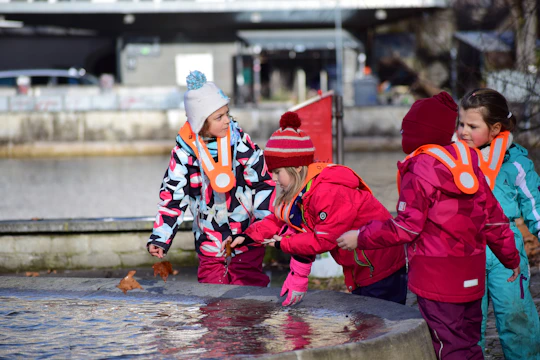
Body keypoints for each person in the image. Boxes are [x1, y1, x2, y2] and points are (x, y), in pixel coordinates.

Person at [337, 91, 521, 360]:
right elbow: (493, 217)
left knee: (445, 345)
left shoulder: (418, 168)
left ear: (416, 134)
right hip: (471, 274)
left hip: (437, 280)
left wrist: (361, 236)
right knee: (468, 343)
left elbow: (407, 227)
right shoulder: (467, 161)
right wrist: (511, 257)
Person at [226, 111, 407, 306]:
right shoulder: (301, 190)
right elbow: (278, 220)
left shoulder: (327, 192)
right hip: (360, 266)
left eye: (278, 172)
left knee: (379, 321)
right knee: (364, 322)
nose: (275, 179)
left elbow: (323, 240)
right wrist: (249, 236)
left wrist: (283, 243)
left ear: (296, 168)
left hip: (379, 266)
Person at [147, 70, 275, 286]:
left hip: (246, 233)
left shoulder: (240, 142)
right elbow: (173, 197)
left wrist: (264, 225)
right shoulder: (184, 152)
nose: (227, 121)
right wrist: (161, 237)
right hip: (208, 236)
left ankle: (250, 321)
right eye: (219, 117)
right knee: (211, 294)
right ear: (200, 122)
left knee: (250, 292)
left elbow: (263, 181)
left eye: (227, 113)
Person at [457, 88, 540, 360]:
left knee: (516, 316)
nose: (463, 131)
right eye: (460, 124)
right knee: (468, 322)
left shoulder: (515, 162)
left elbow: (534, 204)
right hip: (464, 247)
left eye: (472, 125)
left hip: (506, 248)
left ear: (495, 129)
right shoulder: (452, 160)